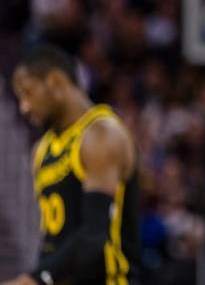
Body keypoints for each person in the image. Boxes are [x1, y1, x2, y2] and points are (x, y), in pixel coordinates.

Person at [2, 45, 140, 285]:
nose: (24, 107)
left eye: (28, 93)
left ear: (55, 82)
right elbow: (52, 243)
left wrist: (34, 279)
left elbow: (95, 237)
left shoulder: (101, 134)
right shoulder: (41, 151)